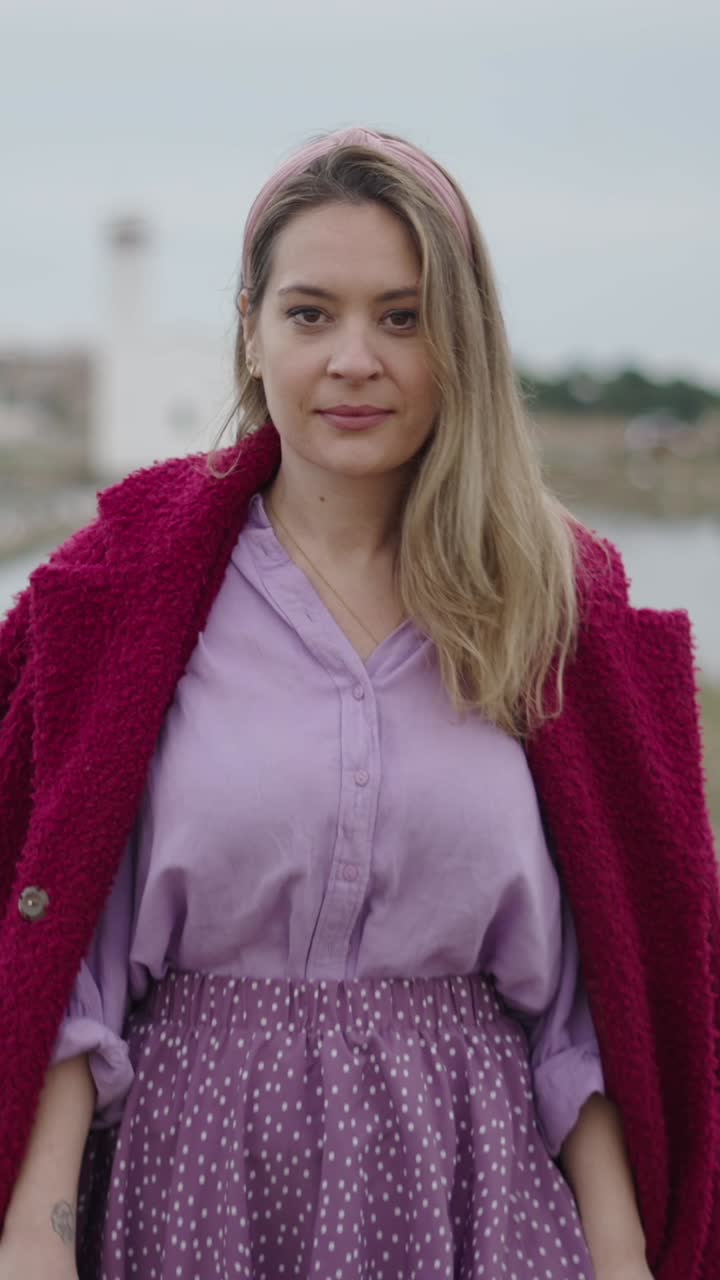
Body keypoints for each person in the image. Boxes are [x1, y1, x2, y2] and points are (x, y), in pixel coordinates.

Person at [0, 127, 717, 1280]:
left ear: (462, 340)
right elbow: (60, 968)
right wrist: (35, 1241)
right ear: (250, 327)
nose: (354, 358)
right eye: (309, 312)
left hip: (477, 1195)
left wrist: (627, 1257)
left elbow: (597, 1005)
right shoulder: (122, 594)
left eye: (402, 315)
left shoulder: (555, 609)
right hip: (193, 1189)